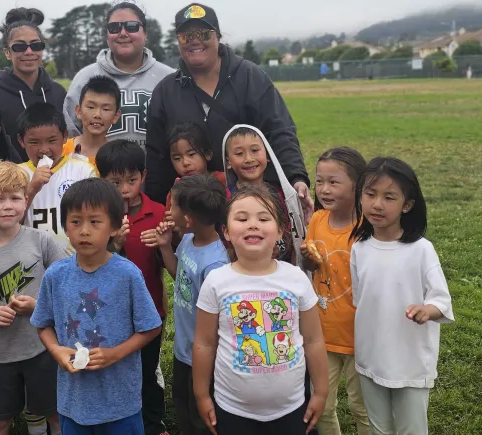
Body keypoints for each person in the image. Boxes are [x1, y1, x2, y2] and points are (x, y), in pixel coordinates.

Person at [144, 3, 312, 211]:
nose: (195, 40)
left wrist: (296, 177)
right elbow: (156, 158)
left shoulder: (251, 77)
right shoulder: (165, 92)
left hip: (253, 202)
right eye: (186, 36)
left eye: (204, 34)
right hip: (194, 209)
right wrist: (154, 209)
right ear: (178, 41)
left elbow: (279, 130)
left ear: (218, 36)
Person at [31, 179, 163, 435]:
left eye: (95, 221)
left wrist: (115, 354)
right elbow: (42, 324)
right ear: (65, 227)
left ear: (114, 227)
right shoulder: (56, 275)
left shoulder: (127, 275)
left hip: (121, 403)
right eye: (76, 221)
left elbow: (151, 328)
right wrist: (56, 349)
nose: (84, 231)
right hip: (73, 402)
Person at [193, 186, 328, 435]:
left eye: (263, 218)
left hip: (293, 408)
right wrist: (201, 395)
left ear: (280, 231)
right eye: (242, 218)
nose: (253, 225)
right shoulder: (216, 281)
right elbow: (204, 342)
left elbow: (313, 340)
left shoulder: (296, 279)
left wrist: (320, 392)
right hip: (232, 410)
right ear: (226, 231)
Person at [351, 157, 453, 435]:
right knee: (379, 428)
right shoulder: (359, 248)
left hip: (410, 361)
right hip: (371, 356)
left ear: (407, 205)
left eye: (389, 197)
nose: (377, 204)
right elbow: (360, 301)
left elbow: (441, 300)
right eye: (370, 194)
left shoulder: (421, 250)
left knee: (412, 429)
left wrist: (426, 311)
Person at [0, 162, 67, 435]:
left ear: (26, 200)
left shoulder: (40, 241)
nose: (8, 205)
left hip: (42, 348)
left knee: (56, 415)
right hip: (0, 356)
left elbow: (68, 282)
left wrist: (39, 307)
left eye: (15, 197)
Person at [97, 140, 169, 435]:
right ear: (101, 180)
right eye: (114, 182)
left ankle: (153, 424)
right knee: (116, 372)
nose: (124, 189)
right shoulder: (98, 217)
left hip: (149, 310)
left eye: (131, 180)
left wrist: (164, 244)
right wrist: (113, 246)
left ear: (144, 175)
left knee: (147, 372)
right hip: (110, 313)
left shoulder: (158, 212)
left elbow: (168, 264)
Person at [147, 174, 228, 435]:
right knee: (182, 404)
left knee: (201, 417)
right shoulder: (188, 240)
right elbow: (179, 276)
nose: (168, 211)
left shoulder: (215, 263)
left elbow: (216, 320)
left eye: (173, 206)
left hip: (204, 357)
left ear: (189, 218)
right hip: (184, 350)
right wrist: (165, 248)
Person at [301, 148, 371, 435]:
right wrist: (308, 258)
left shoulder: (368, 229)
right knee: (322, 407)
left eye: (334, 182)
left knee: (362, 409)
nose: (324, 189)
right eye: (320, 181)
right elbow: (312, 265)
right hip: (323, 334)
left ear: (358, 186)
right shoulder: (317, 219)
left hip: (361, 339)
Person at [63, 1, 174, 147]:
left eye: (132, 27)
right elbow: (71, 132)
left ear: (146, 33)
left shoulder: (169, 78)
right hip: (94, 169)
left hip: (158, 170)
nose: (123, 33)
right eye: (114, 27)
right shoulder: (84, 78)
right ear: (107, 35)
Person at [0, 8, 67, 159]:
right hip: (12, 180)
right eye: (19, 47)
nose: (29, 52)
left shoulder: (59, 93)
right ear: (7, 52)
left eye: (36, 45)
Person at [221, 124, 307, 264]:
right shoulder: (226, 197)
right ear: (228, 162)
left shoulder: (280, 194)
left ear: (267, 155)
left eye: (255, 150)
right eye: (239, 153)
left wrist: (280, 252)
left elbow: (290, 234)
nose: (248, 158)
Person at [17, 102, 97, 251]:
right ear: (21, 141)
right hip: (31, 263)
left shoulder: (83, 170)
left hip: (75, 261)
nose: (44, 149)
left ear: (65, 136)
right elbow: (6, 225)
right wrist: (32, 188)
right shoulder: (15, 175)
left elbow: (96, 217)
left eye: (52, 140)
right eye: (34, 142)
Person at [62, 75, 122, 165]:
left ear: (116, 116)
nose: (97, 114)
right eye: (91, 107)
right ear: (78, 111)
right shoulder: (60, 151)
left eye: (105, 109)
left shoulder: (118, 158)